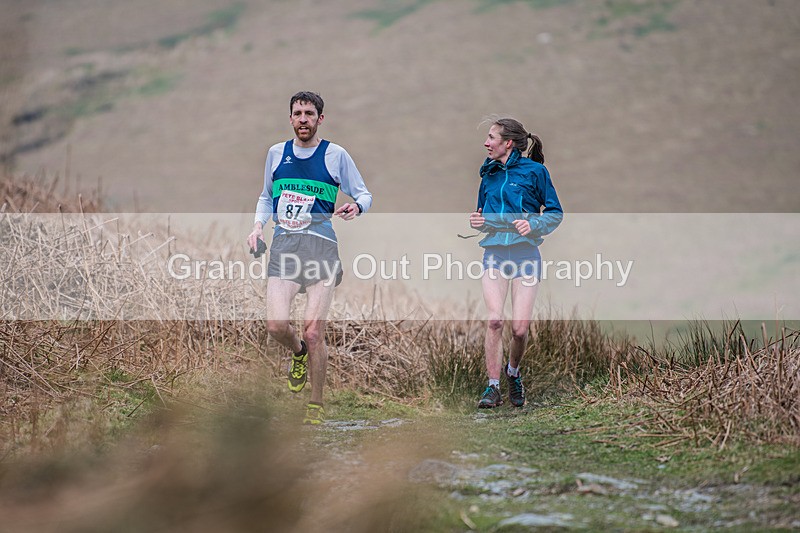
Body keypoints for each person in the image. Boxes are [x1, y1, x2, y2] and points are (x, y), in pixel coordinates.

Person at [247, 91, 372, 425]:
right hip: (285, 248)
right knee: (276, 325)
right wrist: (258, 227)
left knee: (315, 332)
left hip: (321, 249)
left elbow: (363, 193)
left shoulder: (335, 155)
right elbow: (265, 197)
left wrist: (356, 206)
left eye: (309, 113)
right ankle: (298, 352)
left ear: (320, 119)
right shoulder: (276, 154)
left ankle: (315, 404)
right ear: (290, 118)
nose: (303, 119)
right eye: (298, 113)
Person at [468, 117, 563, 409]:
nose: (486, 143)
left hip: (526, 256)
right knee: (495, 320)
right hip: (495, 253)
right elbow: (483, 214)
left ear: (508, 142)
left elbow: (555, 213)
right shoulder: (488, 174)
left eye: (491, 137)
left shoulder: (536, 172)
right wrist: (478, 221)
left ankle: (513, 373)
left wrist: (533, 224)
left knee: (520, 329)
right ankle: (493, 387)